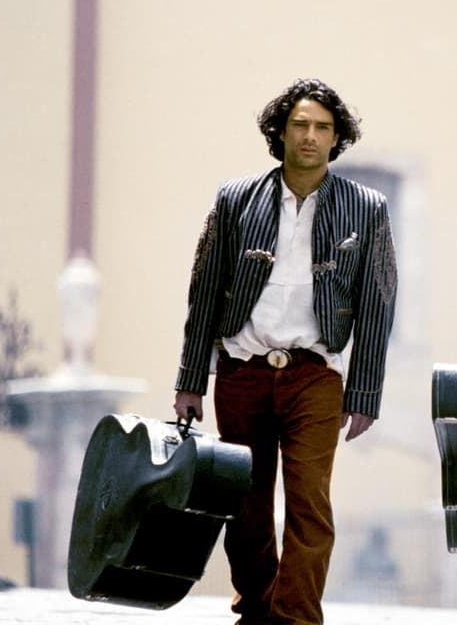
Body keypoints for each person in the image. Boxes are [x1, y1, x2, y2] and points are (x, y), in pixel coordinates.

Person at [173, 78, 397, 625]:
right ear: (281, 131)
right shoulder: (235, 199)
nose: (310, 136)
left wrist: (364, 393)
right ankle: (255, 611)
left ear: (337, 137)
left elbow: (378, 303)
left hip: (314, 374)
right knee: (244, 505)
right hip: (242, 370)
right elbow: (204, 290)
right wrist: (190, 380)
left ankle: (296, 619)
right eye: (300, 125)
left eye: (322, 127)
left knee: (309, 505)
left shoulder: (366, 207)